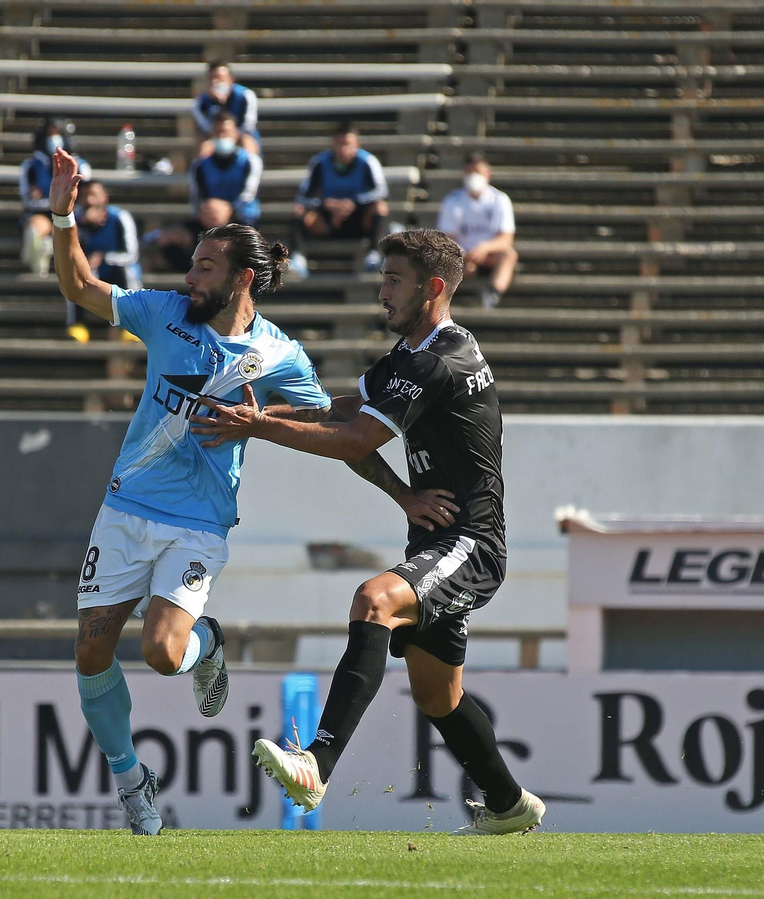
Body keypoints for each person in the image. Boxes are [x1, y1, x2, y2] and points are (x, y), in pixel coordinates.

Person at [190, 229, 547, 836]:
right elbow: (341, 410)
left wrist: (259, 426)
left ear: (432, 289)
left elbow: (357, 440)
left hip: (469, 545)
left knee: (373, 600)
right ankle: (510, 804)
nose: (382, 293)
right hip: (437, 540)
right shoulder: (411, 356)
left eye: (393, 281)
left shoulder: (438, 360)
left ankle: (316, 763)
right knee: (438, 697)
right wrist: (260, 415)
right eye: (382, 278)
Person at [46, 147, 346, 835]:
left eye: (204, 266)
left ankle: (204, 643)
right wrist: (62, 215)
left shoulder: (278, 355)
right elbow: (82, 287)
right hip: (125, 507)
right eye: (191, 264)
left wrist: (258, 420)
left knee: (159, 651)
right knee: (91, 650)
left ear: (242, 278)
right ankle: (132, 781)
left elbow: (326, 416)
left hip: (198, 521)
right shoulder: (164, 312)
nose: (189, 275)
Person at [154, 113, 265, 273]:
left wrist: (228, 210)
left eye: (225, 132)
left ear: (236, 134)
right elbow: (197, 199)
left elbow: (248, 194)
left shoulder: (250, 162)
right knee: (168, 239)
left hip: (243, 219)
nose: (221, 136)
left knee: (243, 247)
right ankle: (197, 277)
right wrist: (208, 212)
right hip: (208, 219)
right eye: (218, 132)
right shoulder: (200, 165)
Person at [289, 122, 391, 280]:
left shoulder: (367, 162)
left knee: (380, 208)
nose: (344, 149)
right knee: (300, 211)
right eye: (339, 144)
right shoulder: (320, 163)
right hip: (328, 219)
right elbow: (304, 196)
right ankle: (298, 257)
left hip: (358, 218)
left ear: (357, 144)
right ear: (333, 144)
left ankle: (374, 253)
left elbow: (381, 192)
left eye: (348, 144)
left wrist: (353, 203)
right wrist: (328, 204)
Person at [436, 152, 517, 309]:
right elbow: (447, 237)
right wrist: (464, 254)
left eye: (478, 172)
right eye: (470, 172)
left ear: (488, 174)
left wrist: (484, 248)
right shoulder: (452, 201)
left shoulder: (499, 199)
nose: (474, 176)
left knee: (509, 254)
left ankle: (493, 294)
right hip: (461, 257)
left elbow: (506, 238)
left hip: (490, 256)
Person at [71, 180, 142, 343]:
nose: (90, 201)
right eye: (86, 196)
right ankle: (78, 325)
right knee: (74, 274)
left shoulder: (120, 217)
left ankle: (131, 326)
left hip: (119, 274)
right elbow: (66, 252)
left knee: (126, 270)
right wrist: (82, 227)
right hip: (92, 274)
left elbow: (132, 254)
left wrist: (104, 257)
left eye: (94, 196)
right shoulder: (75, 220)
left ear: (105, 198)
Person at [21, 118, 91, 277]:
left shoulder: (80, 165)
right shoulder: (31, 166)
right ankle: (41, 251)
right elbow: (27, 200)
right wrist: (53, 204)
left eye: (58, 134)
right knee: (34, 228)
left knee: (67, 227)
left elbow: (87, 196)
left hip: (74, 215)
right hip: (43, 213)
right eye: (50, 134)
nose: (54, 139)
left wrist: (66, 206)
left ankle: (51, 247)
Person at [192, 60, 259, 157]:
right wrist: (219, 104)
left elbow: (248, 126)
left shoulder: (245, 96)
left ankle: (249, 169)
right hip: (216, 138)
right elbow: (206, 128)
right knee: (203, 143)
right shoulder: (200, 102)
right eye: (212, 79)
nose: (216, 82)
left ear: (231, 80)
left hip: (239, 136)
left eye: (220, 78)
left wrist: (231, 134)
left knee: (247, 140)